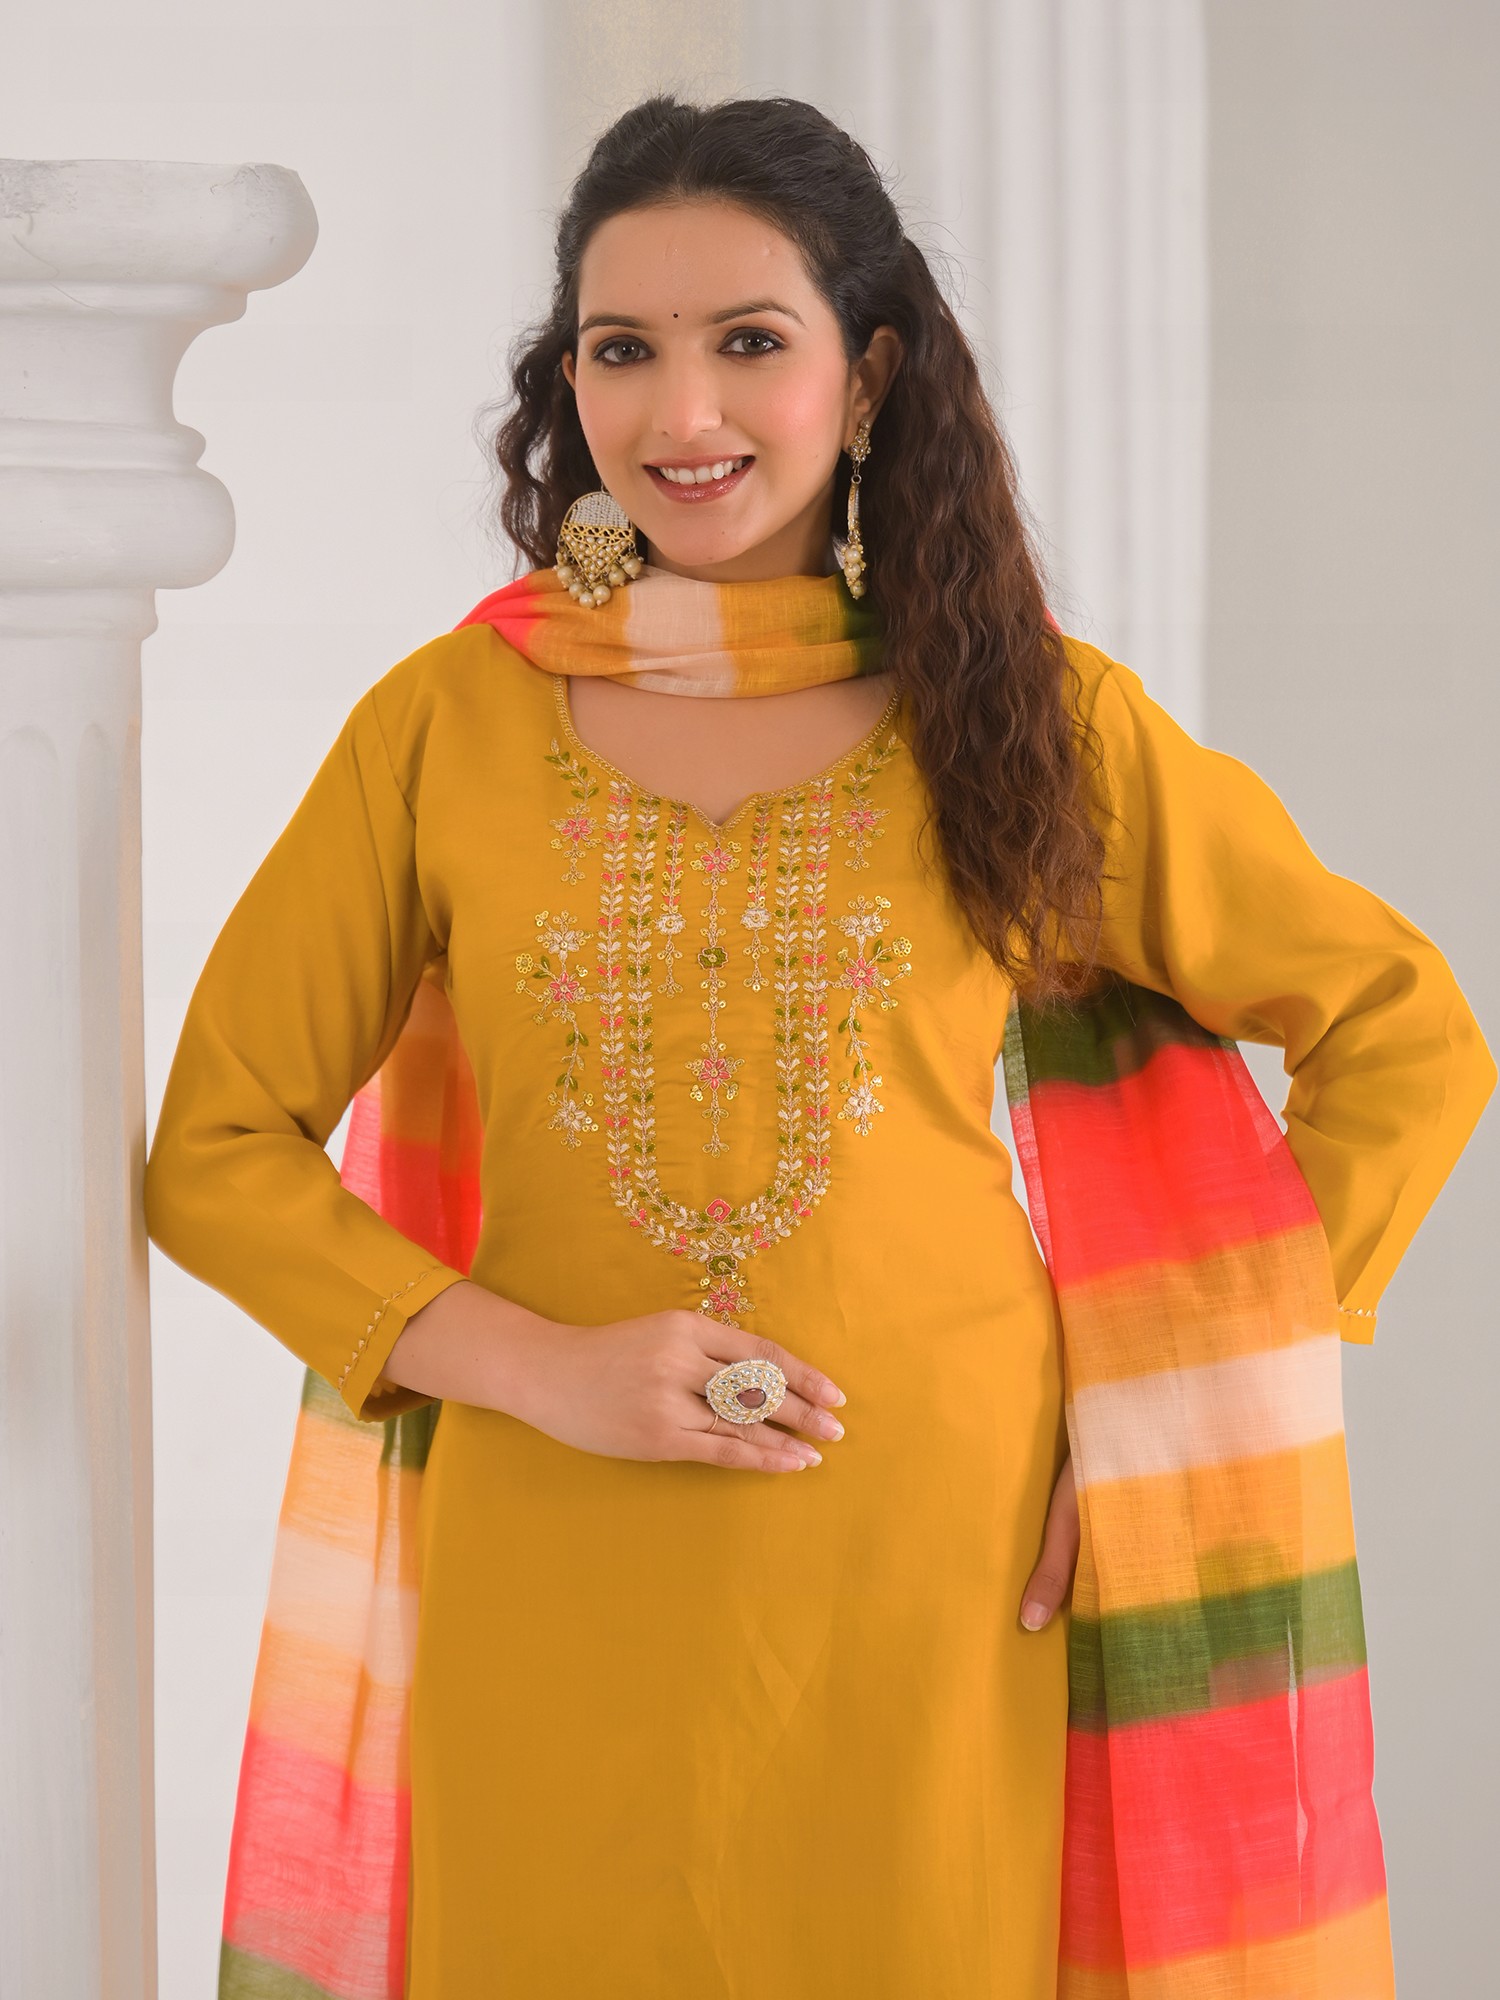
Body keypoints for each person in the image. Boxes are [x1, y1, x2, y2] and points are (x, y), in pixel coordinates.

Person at [143, 93, 1495, 1999]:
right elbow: (218, 1151)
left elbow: (1400, 1030)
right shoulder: (446, 725)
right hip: (549, 1545)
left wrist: (1175, 1423)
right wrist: (542, 1369)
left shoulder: (1022, 718)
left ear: (866, 378)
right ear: (567, 385)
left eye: (748, 341)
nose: (681, 411)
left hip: (946, 1571)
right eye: (624, 349)